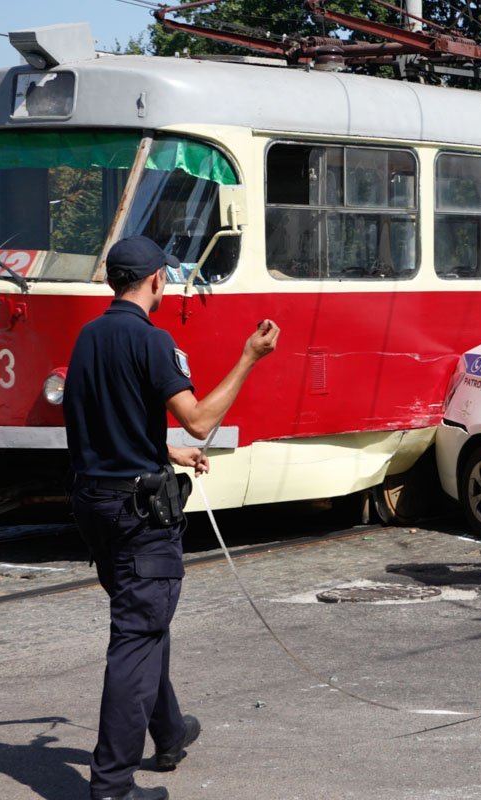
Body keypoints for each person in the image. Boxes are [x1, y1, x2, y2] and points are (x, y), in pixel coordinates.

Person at [64, 235, 280, 800]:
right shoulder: (153, 340)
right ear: (157, 279)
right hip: (138, 513)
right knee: (137, 635)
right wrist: (249, 358)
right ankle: (112, 785)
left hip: (94, 504)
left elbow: (107, 423)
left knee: (143, 620)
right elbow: (200, 420)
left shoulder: (87, 337)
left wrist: (164, 452)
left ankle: (168, 733)